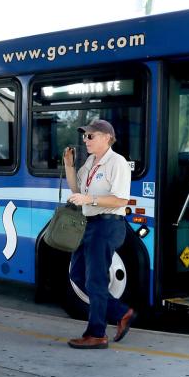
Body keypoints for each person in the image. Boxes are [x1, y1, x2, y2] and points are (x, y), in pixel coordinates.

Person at [62, 119, 136, 349]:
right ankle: (121, 313)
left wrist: (90, 199)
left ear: (107, 137)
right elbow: (77, 190)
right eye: (85, 136)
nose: (86, 140)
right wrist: (69, 166)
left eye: (90, 136)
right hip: (91, 224)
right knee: (77, 274)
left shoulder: (118, 163)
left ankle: (96, 334)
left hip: (108, 224)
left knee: (95, 280)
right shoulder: (92, 162)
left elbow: (121, 199)